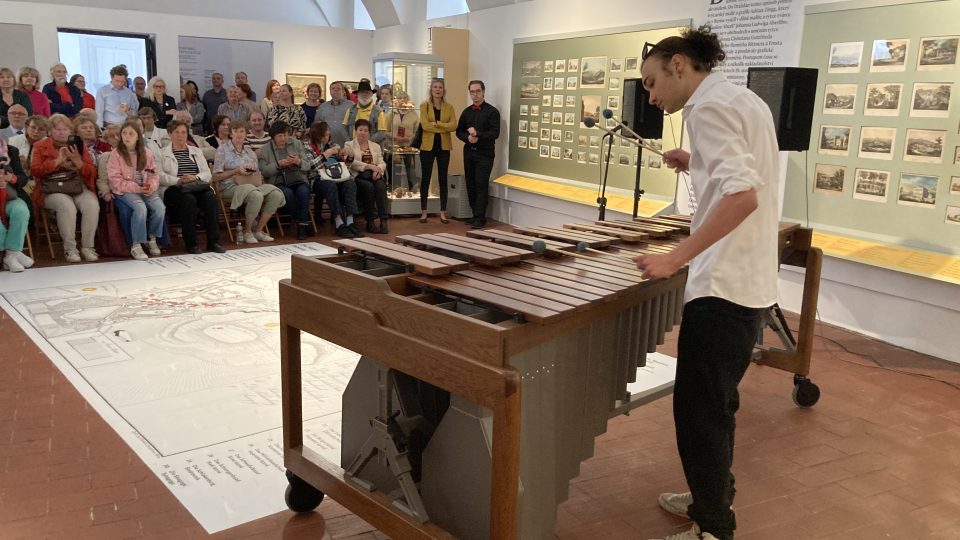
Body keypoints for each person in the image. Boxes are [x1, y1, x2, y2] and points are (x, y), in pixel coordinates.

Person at [634, 27, 781, 540]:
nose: (651, 96)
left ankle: (713, 526)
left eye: (653, 82)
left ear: (679, 65)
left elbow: (742, 197)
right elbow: (748, 173)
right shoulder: (742, 99)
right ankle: (709, 498)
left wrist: (674, 257)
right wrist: (694, 161)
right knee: (717, 405)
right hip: (752, 282)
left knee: (700, 413)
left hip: (724, 285)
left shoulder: (705, 109)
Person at [30, 114, 99, 263]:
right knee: (66, 206)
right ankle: (70, 249)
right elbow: (35, 171)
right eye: (57, 129)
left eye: (65, 129)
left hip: (75, 185)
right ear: (50, 131)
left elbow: (91, 172)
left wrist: (77, 161)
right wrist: (57, 161)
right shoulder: (39, 146)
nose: (61, 132)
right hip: (50, 189)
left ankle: (88, 247)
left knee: (91, 204)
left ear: (70, 131)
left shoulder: (78, 145)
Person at [213, 119, 284, 244]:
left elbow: (257, 173)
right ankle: (247, 232)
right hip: (229, 186)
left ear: (246, 134)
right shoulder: (222, 150)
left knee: (275, 194)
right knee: (255, 195)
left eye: (242, 131)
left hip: (252, 184)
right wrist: (236, 171)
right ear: (231, 133)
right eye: (236, 131)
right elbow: (216, 177)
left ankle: (258, 230)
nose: (239, 134)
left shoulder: (250, 152)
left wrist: (252, 174)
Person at [159, 120, 225, 254]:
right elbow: (160, 176)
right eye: (176, 132)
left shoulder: (196, 151)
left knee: (210, 198)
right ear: (170, 134)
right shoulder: (162, 153)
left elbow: (207, 173)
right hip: (174, 188)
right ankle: (191, 243)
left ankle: (213, 242)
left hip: (196, 185)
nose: (180, 135)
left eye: (183, 132)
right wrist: (179, 180)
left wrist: (195, 177)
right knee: (189, 200)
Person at [107, 121, 165, 260]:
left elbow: (153, 174)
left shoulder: (147, 153)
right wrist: (136, 188)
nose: (127, 137)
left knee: (160, 208)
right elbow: (115, 180)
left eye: (131, 134)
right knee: (140, 208)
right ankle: (136, 244)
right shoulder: (116, 154)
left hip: (144, 188)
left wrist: (151, 186)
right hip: (125, 190)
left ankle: (152, 238)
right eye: (124, 133)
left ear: (138, 136)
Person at [455, 80, 500, 228]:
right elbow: (459, 131)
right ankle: (474, 215)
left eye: (478, 91)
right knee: (471, 184)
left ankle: (481, 218)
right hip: (469, 153)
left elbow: (495, 133)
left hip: (485, 154)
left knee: (481, 184)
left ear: (483, 92)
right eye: (472, 92)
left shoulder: (492, 112)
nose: (475, 94)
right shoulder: (467, 112)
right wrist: (467, 138)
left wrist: (478, 134)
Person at [304, 121, 359, 238]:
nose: (326, 137)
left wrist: (349, 157)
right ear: (316, 135)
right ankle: (339, 223)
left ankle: (350, 221)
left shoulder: (332, 144)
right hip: (318, 179)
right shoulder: (307, 146)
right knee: (330, 186)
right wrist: (327, 154)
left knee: (350, 183)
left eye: (328, 135)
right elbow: (311, 166)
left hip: (337, 176)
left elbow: (344, 167)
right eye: (324, 135)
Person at [258, 120, 311, 239]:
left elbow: (308, 165)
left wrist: (297, 161)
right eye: (280, 136)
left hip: (297, 177)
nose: (283, 138)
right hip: (278, 180)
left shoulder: (297, 144)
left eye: (285, 135)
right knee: (288, 194)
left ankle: (302, 225)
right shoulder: (265, 149)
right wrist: (278, 164)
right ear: (273, 137)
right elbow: (264, 171)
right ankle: (302, 224)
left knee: (303, 192)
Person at [418, 78, 456, 224]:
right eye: (435, 87)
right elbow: (426, 126)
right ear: (431, 89)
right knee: (425, 179)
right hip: (427, 147)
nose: (438, 89)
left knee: (443, 179)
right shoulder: (424, 105)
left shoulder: (449, 107)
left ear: (443, 90)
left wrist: (438, 124)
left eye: (440, 87)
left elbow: (453, 125)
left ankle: (442, 212)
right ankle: (423, 212)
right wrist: (443, 127)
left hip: (444, 148)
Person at [344, 119, 388, 234]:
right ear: (356, 131)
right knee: (368, 187)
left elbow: (382, 162)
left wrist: (378, 170)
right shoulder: (349, 144)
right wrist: (369, 166)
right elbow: (352, 163)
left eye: (366, 130)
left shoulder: (376, 146)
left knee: (380, 186)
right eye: (360, 130)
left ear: (369, 133)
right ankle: (370, 221)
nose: (363, 132)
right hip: (358, 177)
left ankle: (384, 220)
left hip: (374, 175)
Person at [0, 139, 34, 272]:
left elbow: (22, 178)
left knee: (21, 211)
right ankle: (8, 254)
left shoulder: (11, 150)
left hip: (10, 196)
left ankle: (12, 253)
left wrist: (11, 178)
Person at [316, 81, 352, 147]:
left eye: (338, 88)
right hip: (327, 145)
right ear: (330, 91)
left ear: (343, 91)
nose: (335, 90)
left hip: (347, 144)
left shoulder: (351, 106)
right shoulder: (323, 107)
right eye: (333, 88)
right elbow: (318, 124)